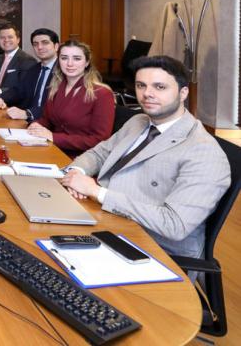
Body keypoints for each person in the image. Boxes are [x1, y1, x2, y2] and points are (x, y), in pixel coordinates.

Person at [61, 56, 230, 258]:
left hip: (152, 249)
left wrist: (97, 192)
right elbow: (100, 153)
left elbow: (175, 225)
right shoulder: (139, 121)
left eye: (160, 87)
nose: (147, 93)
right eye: (141, 85)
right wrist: (75, 174)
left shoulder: (204, 152)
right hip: (105, 220)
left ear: (183, 92)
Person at [27, 40, 115, 158]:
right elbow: (47, 120)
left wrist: (54, 137)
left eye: (77, 58)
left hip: (81, 158)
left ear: (87, 62)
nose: (69, 63)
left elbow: (99, 140)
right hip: (52, 149)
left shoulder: (102, 94)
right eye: (64, 58)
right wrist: (36, 125)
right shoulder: (55, 87)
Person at [0, 28, 59, 121]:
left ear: (56, 46)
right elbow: (18, 91)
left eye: (45, 43)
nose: (40, 47)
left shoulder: (63, 71)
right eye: (35, 44)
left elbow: (58, 105)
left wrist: (28, 113)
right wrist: (0, 99)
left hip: (51, 123)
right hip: (29, 121)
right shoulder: (34, 69)